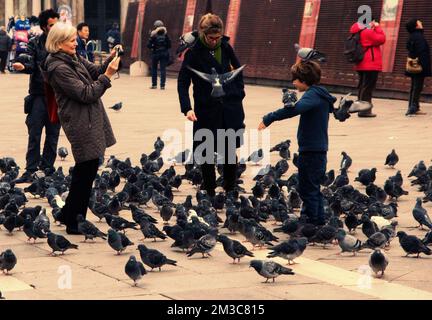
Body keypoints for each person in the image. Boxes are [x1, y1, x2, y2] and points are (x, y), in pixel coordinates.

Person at [43, 22, 119, 234]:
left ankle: (69, 214)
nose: (76, 43)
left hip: (88, 118)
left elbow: (94, 71)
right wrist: (109, 76)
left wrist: (110, 60)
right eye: (71, 40)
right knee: (85, 169)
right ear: (58, 44)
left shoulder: (71, 58)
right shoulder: (58, 67)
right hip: (79, 121)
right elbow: (86, 93)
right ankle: (74, 222)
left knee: (87, 167)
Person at [258, 61, 336, 226]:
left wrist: (269, 118)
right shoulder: (320, 94)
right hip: (316, 149)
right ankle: (312, 220)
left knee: (308, 189)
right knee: (310, 188)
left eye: (295, 79)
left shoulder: (312, 95)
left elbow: (295, 109)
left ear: (303, 79)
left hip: (312, 150)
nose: (293, 83)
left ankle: (313, 224)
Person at [178, 13, 246, 197]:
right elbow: (183, 82)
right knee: (206, 151)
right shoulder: (193, 54)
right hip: (205, 109)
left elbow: (238, 71)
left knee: (230, 151)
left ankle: (230, 188)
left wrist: (239, 93)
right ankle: (209, 190)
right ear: (203, 34)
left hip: (229, 108)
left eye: (218, 37)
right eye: (211, 38)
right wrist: (187, 108)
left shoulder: (226, 47)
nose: (215, 41)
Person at [12, 9, 61, 183]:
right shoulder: (35, 43)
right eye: (51, 25)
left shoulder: (62, 43)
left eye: (57, 24)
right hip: (39, 94)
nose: (55, 28)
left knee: (53, 135)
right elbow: (30, 63)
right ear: (44, 27)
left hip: (57, 96)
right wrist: (23, 67)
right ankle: (30, 170)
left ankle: (47, 170)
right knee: (34, 133)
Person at [350, 19, 386, 117]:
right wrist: (377, 27)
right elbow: (381, 39)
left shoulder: (357, 31)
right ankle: (365, 111)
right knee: (368, 87)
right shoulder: (367, 31)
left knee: (363, 86)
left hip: (361, 63)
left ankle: (361, 108)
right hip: (370, 64)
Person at [405, 18, 431, 116]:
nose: (421, 22)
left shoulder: (412, 36)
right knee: (417, 87)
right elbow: (422, 52)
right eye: (419, 22)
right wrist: (425, 66)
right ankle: (412, 109)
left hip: (413, 65)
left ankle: (414, 107)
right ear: (416, 25)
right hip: (418, 65)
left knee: (414, 86)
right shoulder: (419, 37)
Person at [147, 20, 171, 90]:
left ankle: (154, 85)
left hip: (155, 53)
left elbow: (148, 45)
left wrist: (152, 47)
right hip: (164, 53)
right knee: (163, 69)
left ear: (155, 26)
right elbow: (169, 45)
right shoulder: (166, 34)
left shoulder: (153, 34)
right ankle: (162, 85)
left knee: (154, 69)